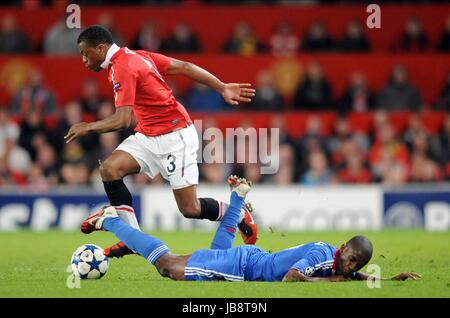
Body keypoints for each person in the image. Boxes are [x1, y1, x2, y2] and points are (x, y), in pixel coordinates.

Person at [65, 25, 257, 258]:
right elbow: (184, 67)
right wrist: (222, 86)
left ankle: (237, 214)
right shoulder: (138, 56)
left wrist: (88, 126)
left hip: (175, 136)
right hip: (148, 134)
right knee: (109, 169)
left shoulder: (123, 67)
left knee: (190, 208)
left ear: (101, 48)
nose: (84, 60)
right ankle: (132, 238)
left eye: (86, 53)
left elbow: (123, 119)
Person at [81, 175, 421, 283]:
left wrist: (386, 280)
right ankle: (109, 219)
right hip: (245, 266)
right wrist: (334, 281)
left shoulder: (335, 260)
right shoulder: (322, 256)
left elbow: (344, 276)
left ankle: (236, 200)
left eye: (356, 265)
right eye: (352, 260)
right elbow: (294, 278)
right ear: (344, 246)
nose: (351, 268)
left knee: (212, 254)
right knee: (167, 266)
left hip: (252, 259)